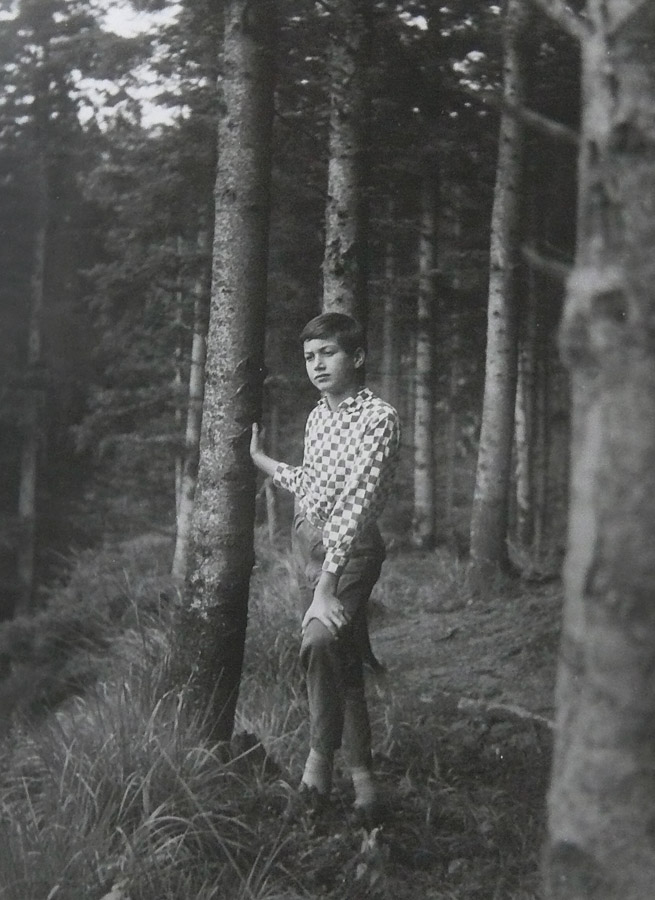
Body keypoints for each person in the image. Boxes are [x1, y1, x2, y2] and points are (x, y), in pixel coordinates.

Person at [250, 312, 401, 822]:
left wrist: (326, 586)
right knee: (342, 658)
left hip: (351, 552)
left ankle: (317, 766)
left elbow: (356, 504)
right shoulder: (318, 417)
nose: (316, 365)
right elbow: (312, 483)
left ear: (356, 357)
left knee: (318, 641)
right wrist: (263, 461)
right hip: (308, 545)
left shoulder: (379, 418)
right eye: (309, 357)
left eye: (328, 353)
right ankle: (365, 785)